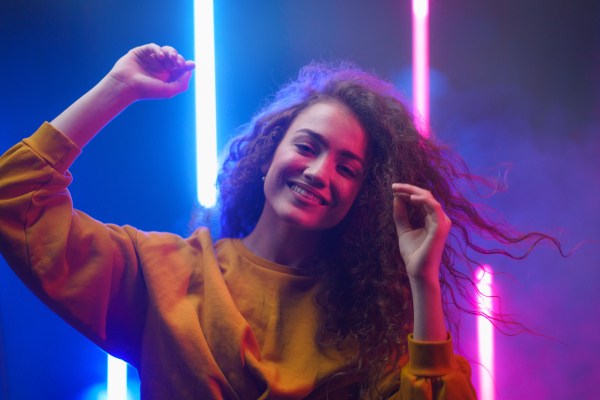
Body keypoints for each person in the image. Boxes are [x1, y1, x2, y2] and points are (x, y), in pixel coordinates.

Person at [3, 43, 552, 399]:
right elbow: (15, 198)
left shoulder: (369, 325)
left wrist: (423, 282)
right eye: (307, 147)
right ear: (267, 155)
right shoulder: (164, 272)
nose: (319, 172)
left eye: (347, 167)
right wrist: (117, 89)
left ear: (361, 196)